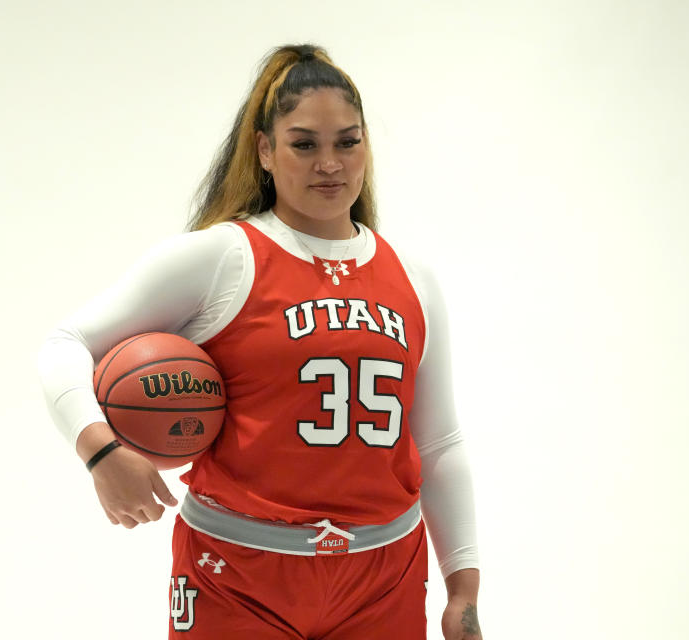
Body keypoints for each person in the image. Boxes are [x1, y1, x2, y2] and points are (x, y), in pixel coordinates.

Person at [38, 43, 481, 640]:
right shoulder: (222, 257)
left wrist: (463, 587)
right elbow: (66, 344)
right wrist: (101, 452)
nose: (330, 163)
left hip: (383, 575)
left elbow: (439, 442)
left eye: (347, 142)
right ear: (265, 150)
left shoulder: (412, 277)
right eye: (305, 144)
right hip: (235, 572)